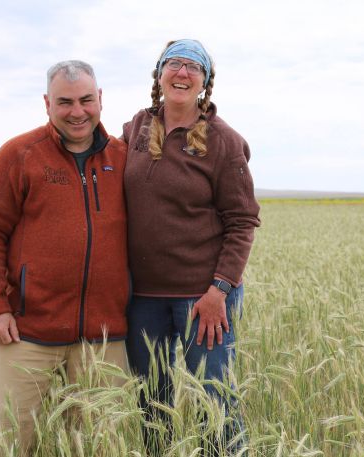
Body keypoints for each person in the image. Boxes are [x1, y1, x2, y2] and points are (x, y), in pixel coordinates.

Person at [0, 60, 129, 455]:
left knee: (102, 445)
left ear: (101, 100)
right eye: (65, 102)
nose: (78, 111)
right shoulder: (19, 154)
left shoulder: (125, 158)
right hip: (26, 334)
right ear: (47, 103)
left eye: (86, 100)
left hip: (104, 338)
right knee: (8, 443)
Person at [123, 39, 260, 455]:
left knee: (214, 402)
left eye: (193, 67)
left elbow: (242, 221)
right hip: (143, 298)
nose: (182, 73)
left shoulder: (224, 140)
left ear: (204, 81)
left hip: (202, 298)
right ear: (160, 73)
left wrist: (219, 290)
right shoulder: (135, 128)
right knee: (152, 405)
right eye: (174, 64)